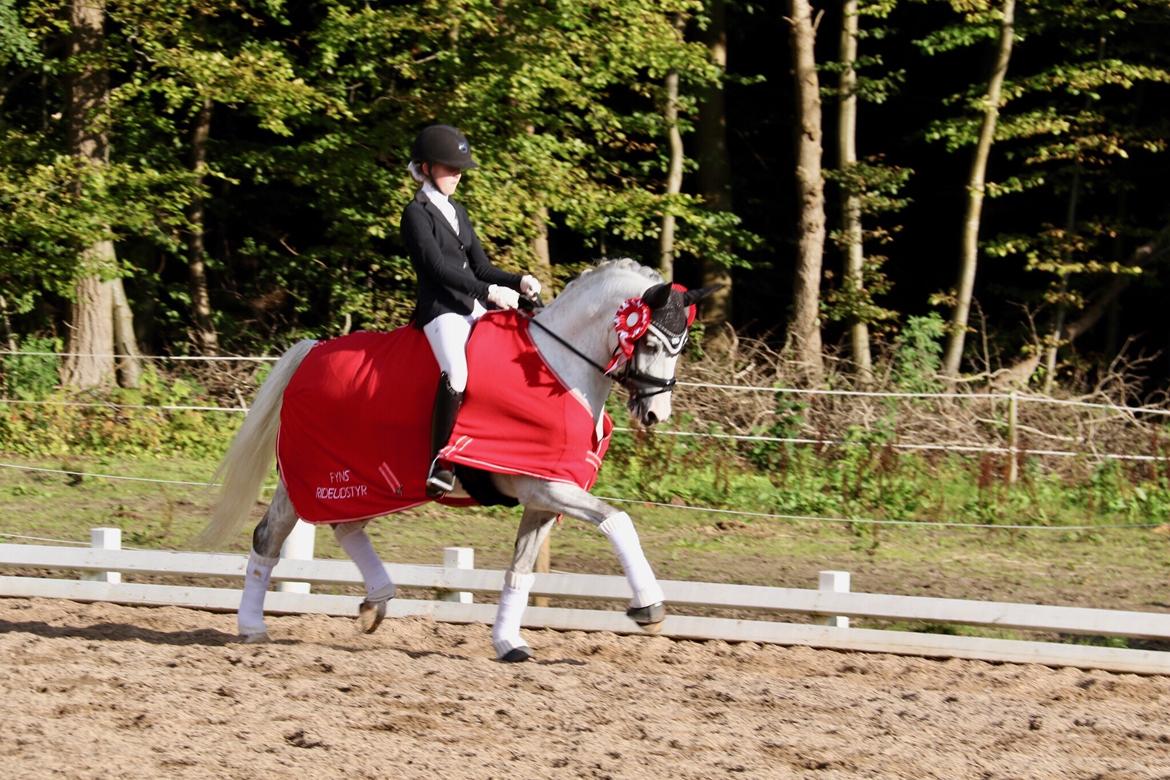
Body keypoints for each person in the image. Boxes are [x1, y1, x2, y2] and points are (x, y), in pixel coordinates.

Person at [401, 124, 542, 498]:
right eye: (450, 168)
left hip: (472, 306)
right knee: (457, 372)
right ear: (427, 168)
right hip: (441, 310)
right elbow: (436, 269)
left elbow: (480, 266)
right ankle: (440, 463)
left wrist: (517, 280)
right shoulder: (416, 214)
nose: (457, 174)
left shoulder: (458, 211)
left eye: (460, 169)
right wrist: (488, 292)